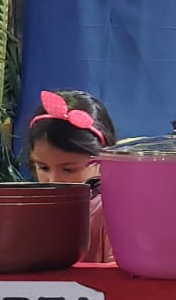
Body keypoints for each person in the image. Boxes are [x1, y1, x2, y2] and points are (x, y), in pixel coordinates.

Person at [26, 89, 117, 263]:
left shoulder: (113, 212)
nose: (54, 181)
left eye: (68, 169)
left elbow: (119, 275)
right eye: (43, 167)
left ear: (102, 161)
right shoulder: (26, 208)